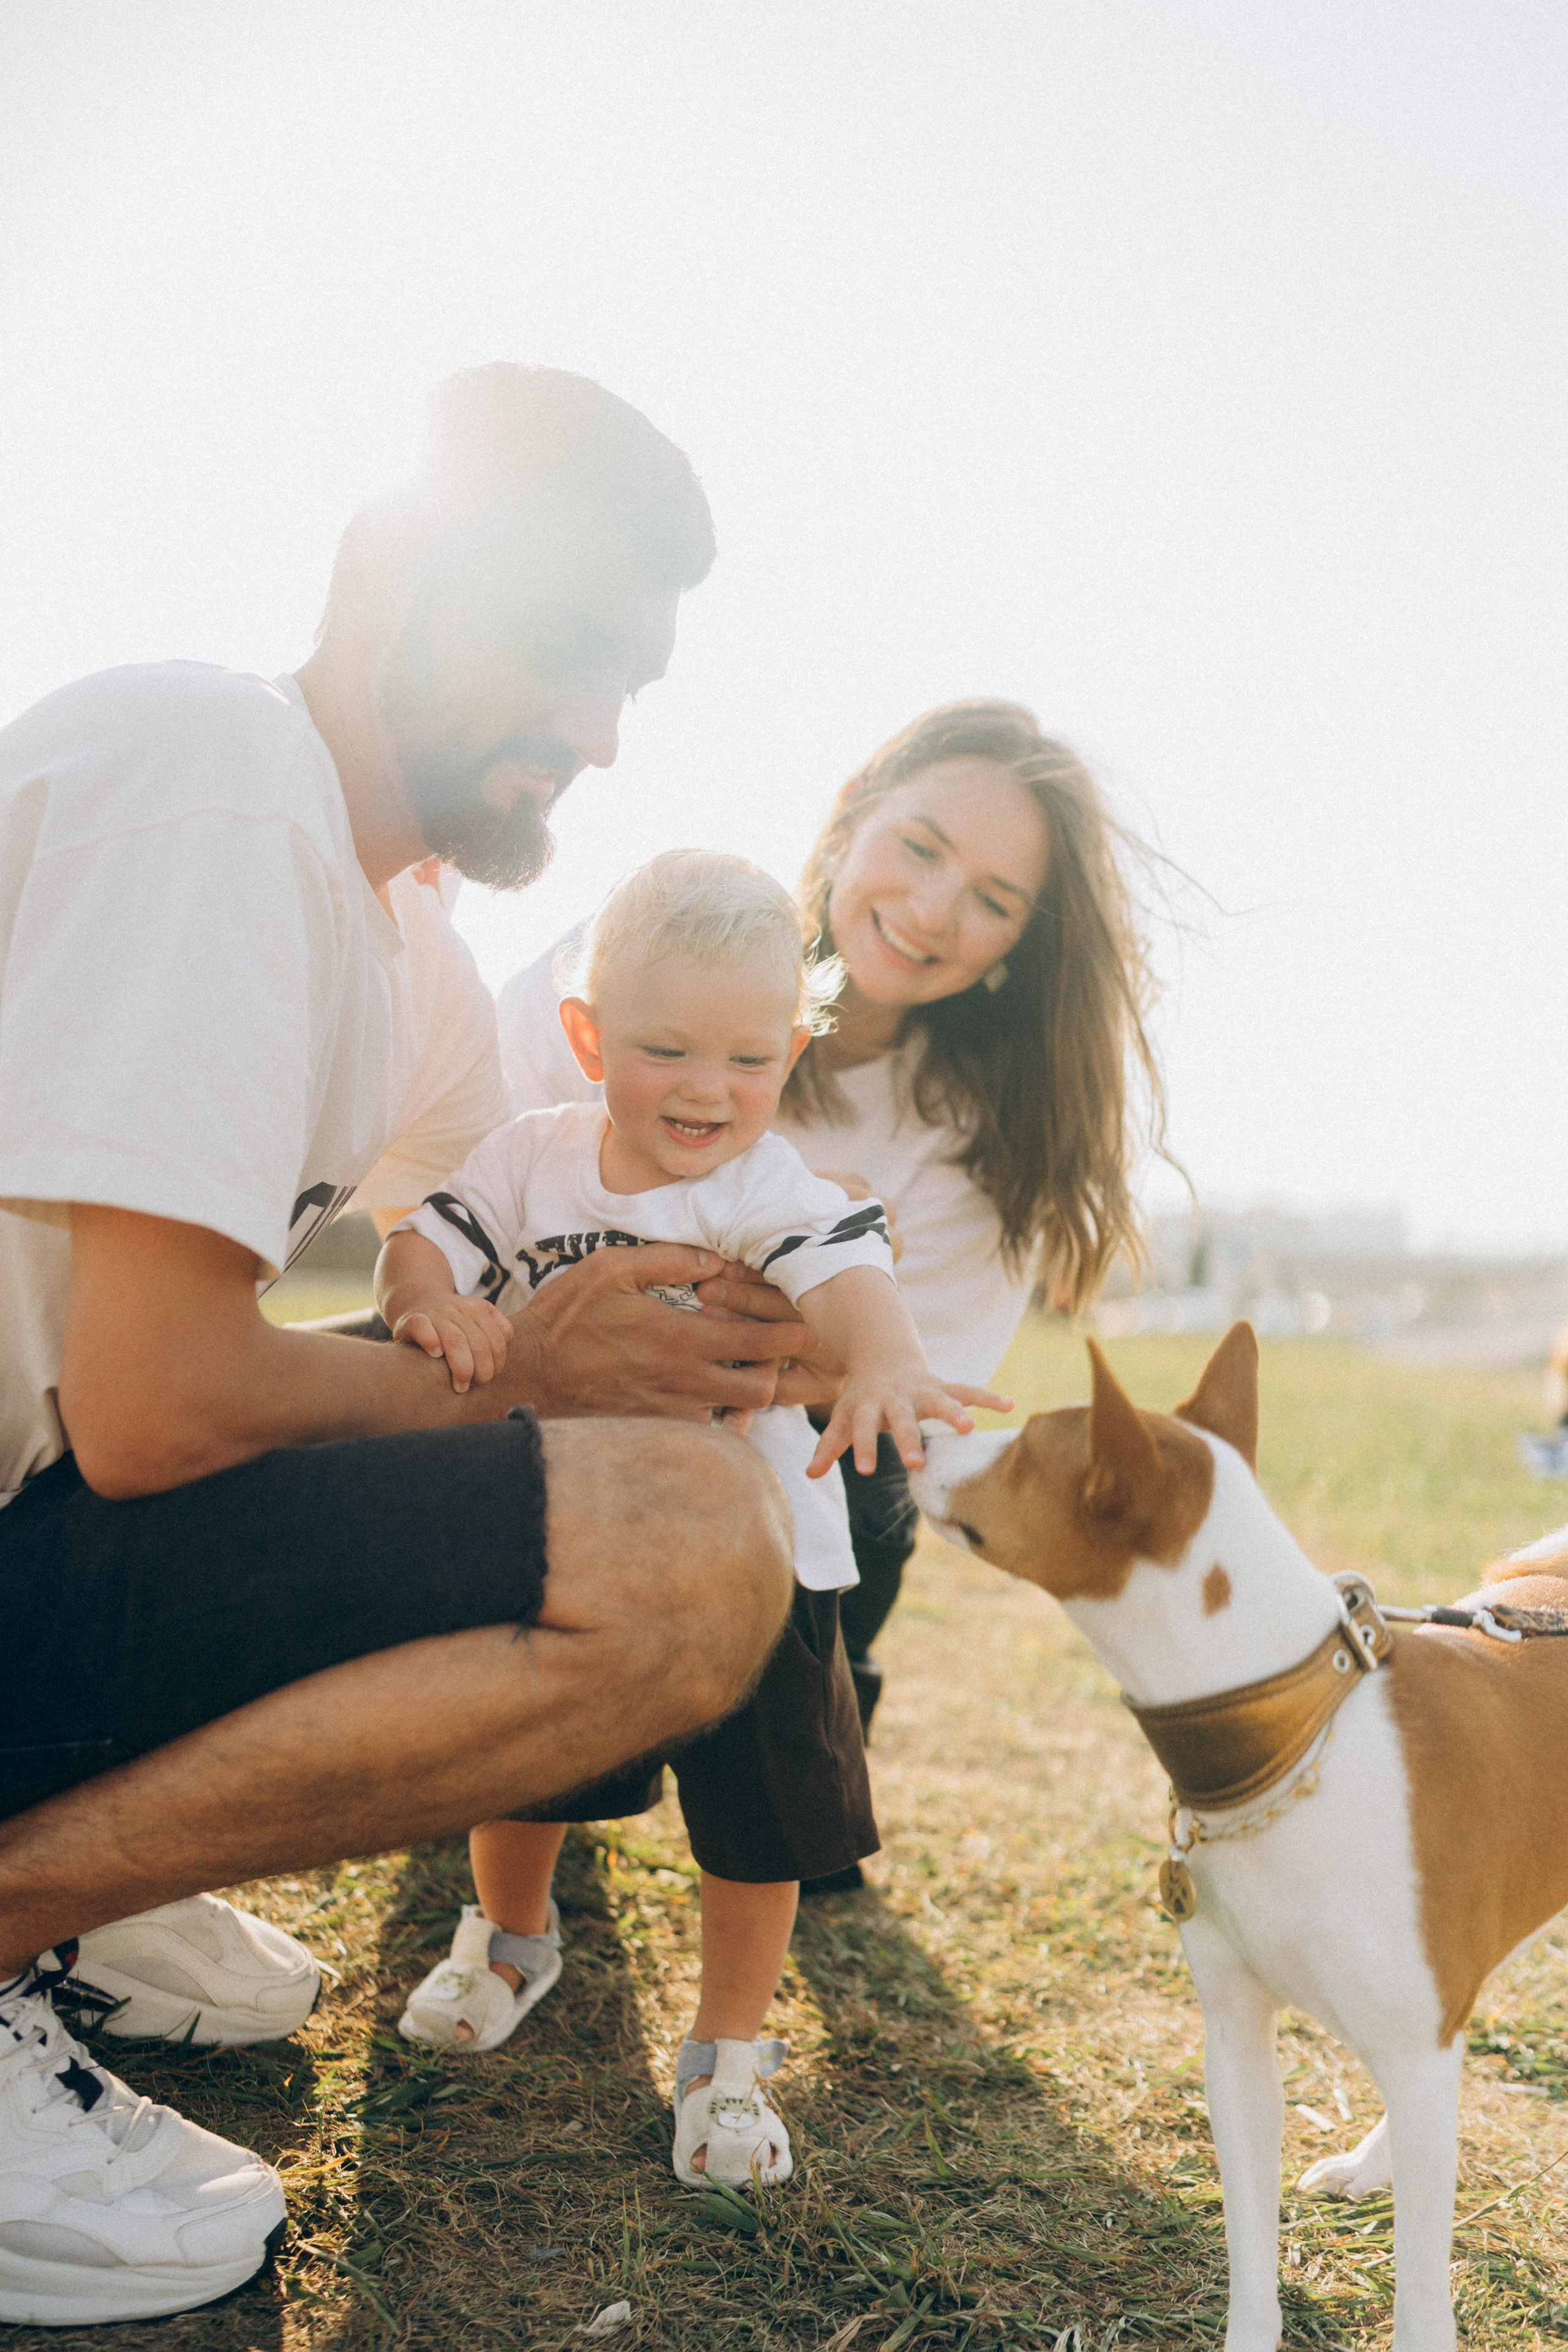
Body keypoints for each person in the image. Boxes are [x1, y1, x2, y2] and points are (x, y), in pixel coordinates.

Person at [0, 366, 805, 2329]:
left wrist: (543, 1334)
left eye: (629, 680)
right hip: (58, 1484)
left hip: (31, 1500)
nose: (598, 733)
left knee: (646, 1480)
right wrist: (528, 1375)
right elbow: (156, 1405)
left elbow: (305, 1315)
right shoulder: (215, 786)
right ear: (382, 572)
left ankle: (67, 1875)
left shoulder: (367, 925)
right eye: (560, 645)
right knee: (690, 1548)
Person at [377, 851, 1003, 2187]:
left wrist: (885, 1363)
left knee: (760, 1820)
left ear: (790, 1053)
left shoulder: (766, 1188)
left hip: (760, 1560)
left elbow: (849, 1275)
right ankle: (510, 1938)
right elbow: (423, 1235)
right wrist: (427, 1300)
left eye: (748, 1059)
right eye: (664, 1050)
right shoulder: (529, 1160)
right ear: (588, 1037)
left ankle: (727, 2052)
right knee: (525, 1761)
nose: (706, 1089)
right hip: (570, 1532)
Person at [497, 699, 1164, 1885]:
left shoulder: (981, 1141)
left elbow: (893, 1383)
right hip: (562, 1388)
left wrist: (811, 1282)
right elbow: (495, 1208)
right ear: (850, 818)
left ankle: (808, 1711)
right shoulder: (639, 957)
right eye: (920, 847)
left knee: (861, 1476)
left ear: (1016, 946)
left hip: (798, 1449)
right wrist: (804, 1275)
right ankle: (536, 1749)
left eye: (992, 900)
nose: (932, 910)